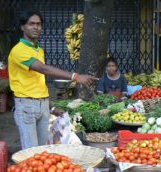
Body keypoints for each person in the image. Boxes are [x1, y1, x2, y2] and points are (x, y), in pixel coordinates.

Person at [9, 10, 97, 149]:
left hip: (42, 105)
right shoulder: (19, 50)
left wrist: (51, 107)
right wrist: (75, 76)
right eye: (31, 24)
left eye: (38, 24)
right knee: (31, 152)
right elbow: (43, 69)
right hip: (26, 106)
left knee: (43, 150)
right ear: (22, 27)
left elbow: (37, 83)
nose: (35, 27)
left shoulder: (38, 50)